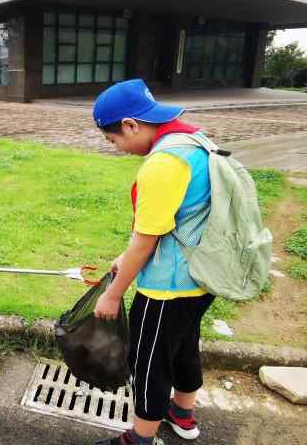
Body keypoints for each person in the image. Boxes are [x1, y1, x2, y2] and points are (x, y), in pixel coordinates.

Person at [91, 79, 214, 445]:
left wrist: (113, 294)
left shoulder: (163, 164)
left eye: (114, 141)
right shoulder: (194, 142)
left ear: (130, 124)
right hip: (202, 277)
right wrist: (122, 257)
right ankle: (182, 414)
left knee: (149, 363)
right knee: (184, 348)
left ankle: (140, 438)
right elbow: (176, 221)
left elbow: (145, 242)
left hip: (166, 287)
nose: (117, 149)